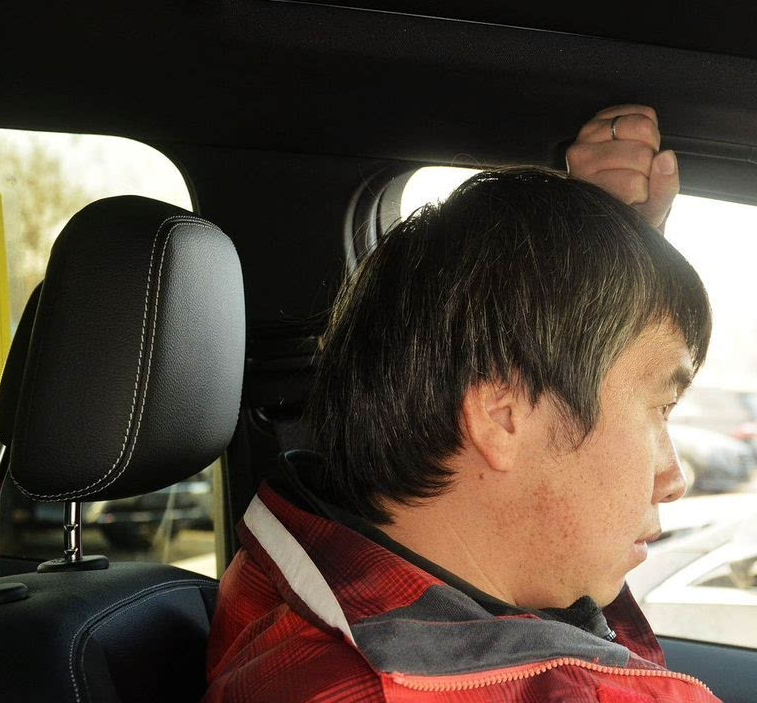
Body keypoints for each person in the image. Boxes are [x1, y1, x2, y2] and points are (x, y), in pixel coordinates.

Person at [203, 105, 720, 702]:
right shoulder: (388, 688)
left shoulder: (325, 588)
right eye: (659, 409)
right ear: (502, 416)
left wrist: (600, 267)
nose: (672, 480)